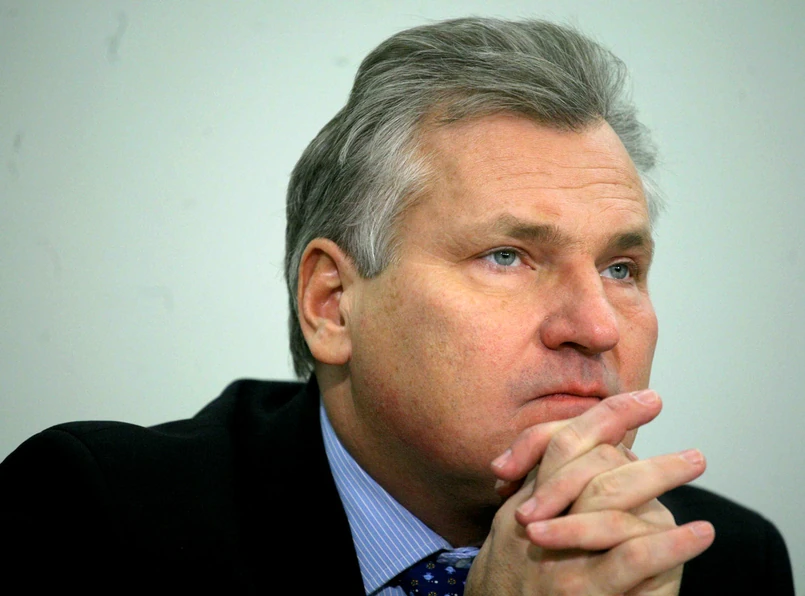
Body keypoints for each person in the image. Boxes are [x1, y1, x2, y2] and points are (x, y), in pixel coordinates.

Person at [0, 17, 794, 596]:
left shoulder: (718, 561)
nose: (594, 327)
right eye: (507, 256)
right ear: (332, 305)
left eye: (621, 268)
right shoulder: (99, 519)